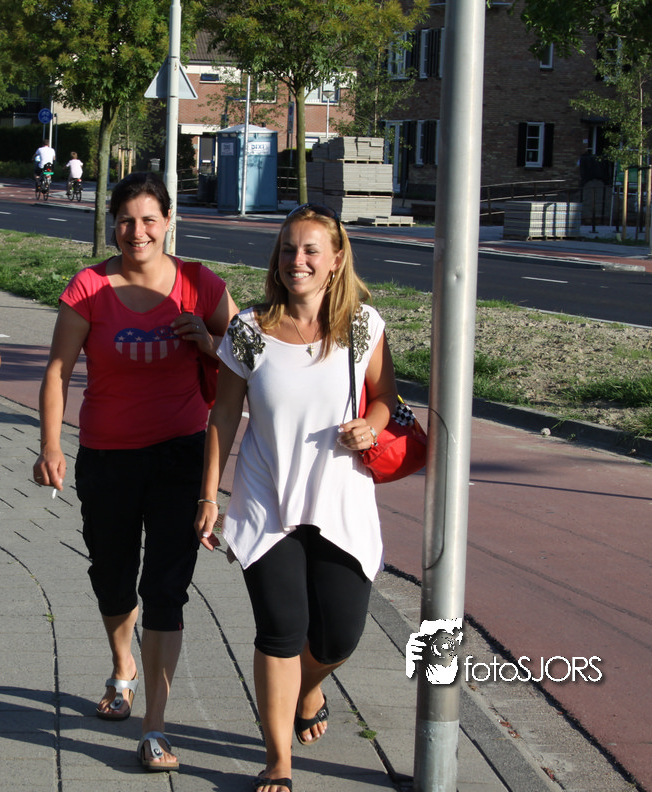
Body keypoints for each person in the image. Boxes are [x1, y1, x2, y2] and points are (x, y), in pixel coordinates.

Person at [33, 172, 237, 773]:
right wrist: (51, 446)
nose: (137, 231)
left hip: (181, 456)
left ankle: (155, 725)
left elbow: (247, 362)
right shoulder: (90, 287)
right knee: (113, 575)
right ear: (113, 224)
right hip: (108, 456)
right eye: (126, 220)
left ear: (169, 221)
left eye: (149, 219)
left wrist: (208, 343)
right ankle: (122, 668)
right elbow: (57, 370)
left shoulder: (201, 284)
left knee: (166, 587)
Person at [193, 204, 399, 792]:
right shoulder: (249, 329)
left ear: (336, 260)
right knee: (280, 631)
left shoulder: (362, 325)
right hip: (268, 501)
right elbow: (224, 414)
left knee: (339, 636)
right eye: (288, 248)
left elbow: (385, 397)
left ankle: (309, 688)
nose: (297, 260)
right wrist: (209, 496)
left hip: (340, 500)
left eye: (310, 250)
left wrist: (371, 427)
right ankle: (278, 760)